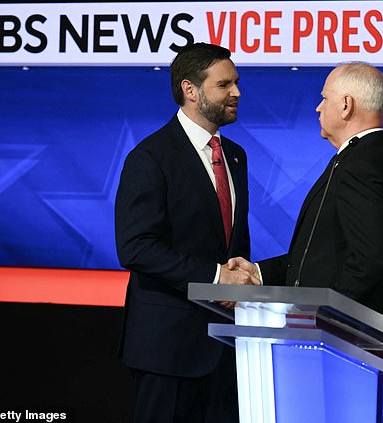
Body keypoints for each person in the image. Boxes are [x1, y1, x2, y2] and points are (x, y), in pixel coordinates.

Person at [114, 42, 259, 423]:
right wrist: (216, 278)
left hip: (226, 345)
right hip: (168, 349)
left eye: (237, 83)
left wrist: (242, 276)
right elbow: (136, 248)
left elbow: (230, 240)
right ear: (190, 90)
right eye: (224, 84)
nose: (237, 93)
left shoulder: (235, 156)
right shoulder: (151, 158)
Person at [229, 62, 383, 319]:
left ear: (346, 105)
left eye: (324, 98)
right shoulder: (360, 158)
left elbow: (370, 261)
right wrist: (259, 273)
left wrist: (321, 314)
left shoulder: (364, 165)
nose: (318, 107)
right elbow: (320, 255)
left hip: (345, 337)